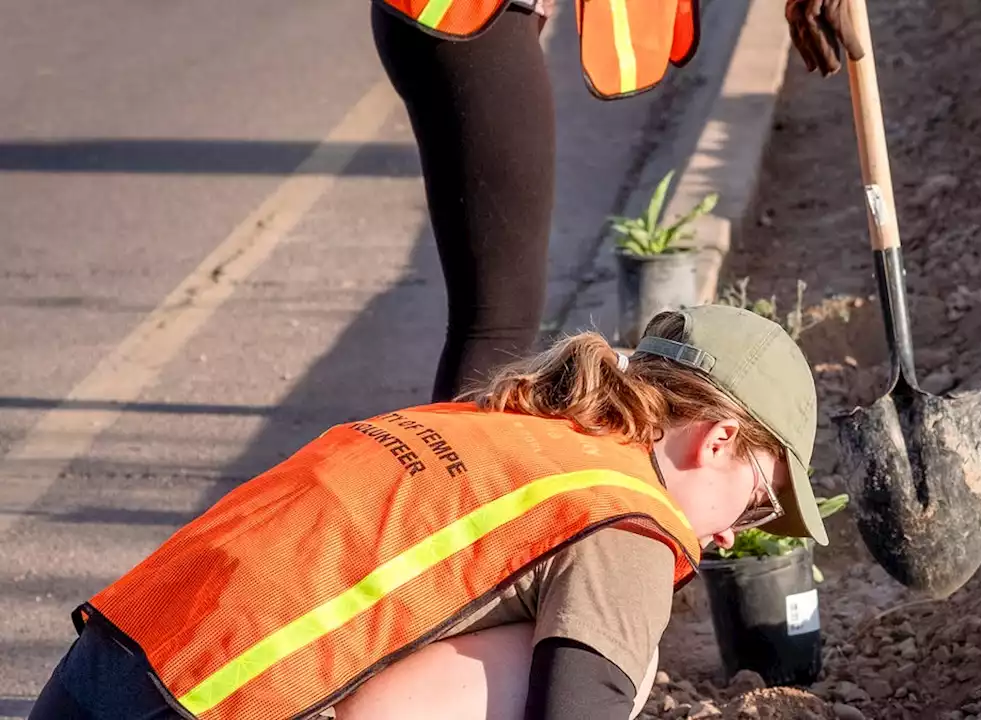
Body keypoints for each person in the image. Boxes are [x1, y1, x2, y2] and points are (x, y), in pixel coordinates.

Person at [29, 304, 829, 720]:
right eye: (761, 502)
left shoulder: (507, 428)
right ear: (718, 439)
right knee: (620, 657)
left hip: (97, 682)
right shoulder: (625, 521)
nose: (732, 535)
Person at [369, 0, 861, 402]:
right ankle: (456, 508)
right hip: (470, 21)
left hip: (463, 23)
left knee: (493, 321)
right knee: (497, 325)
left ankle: (457, 500)